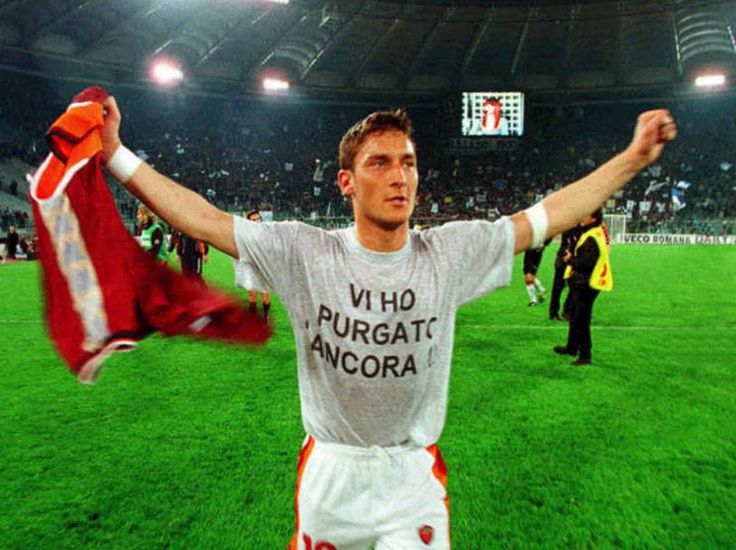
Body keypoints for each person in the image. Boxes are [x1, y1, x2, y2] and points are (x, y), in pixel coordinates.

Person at [99, 96, 675, 548]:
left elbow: (543, 217)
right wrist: (116, 154)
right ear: (346, 182)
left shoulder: (449, 252)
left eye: (409, 163)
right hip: (331, 471)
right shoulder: (306, 253)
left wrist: (633, 157)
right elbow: (204, 219)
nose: (400, 176)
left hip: (411, 477)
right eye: (380, 163)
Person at [553, 208, 612, 365]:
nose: (582, 217)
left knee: (581, 319)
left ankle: (585, 354)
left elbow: (586, 263)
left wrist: (569, 259)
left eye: (585, 214)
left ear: (593, 218)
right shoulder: (594, 233)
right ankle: (572, 347)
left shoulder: (591, 237)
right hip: (584, 282)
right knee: (575, 316)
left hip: (586, 284)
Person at [243, 210, 271, 320]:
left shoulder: (266, 233)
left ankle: (265, 317)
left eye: (258, 219)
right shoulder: (246, 235)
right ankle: (253, 319)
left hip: (263, 266)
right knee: (252, 294)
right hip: (250, 266)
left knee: (265, 294)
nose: (256, 221)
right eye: (253, 220)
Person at [549, 226, 580, 320]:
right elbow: (565, 245)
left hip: (573, 261)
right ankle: (553, 313)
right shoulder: (569, 228)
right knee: (557, 288)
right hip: (562, 261)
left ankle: (567, 311)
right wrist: (566, 253)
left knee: (575, 287)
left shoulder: (582, 229)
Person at [522, 238, 550, 306]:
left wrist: (543, 244)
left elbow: (550, 235)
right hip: (528, 251)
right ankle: (536, 296)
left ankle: (534, 299)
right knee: (527, 277)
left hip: (536, 253)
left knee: (529, 277)